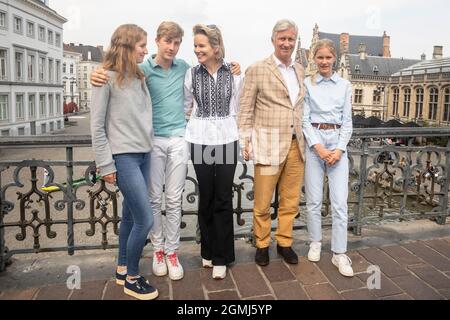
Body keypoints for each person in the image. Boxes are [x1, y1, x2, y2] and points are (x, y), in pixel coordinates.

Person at [91, 22, 242, 281]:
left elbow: (231, 104)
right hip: (152, 142)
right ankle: (159, 250)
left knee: (174, 199)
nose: (172, 47)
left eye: (177, 43)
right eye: (167, 42)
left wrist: (235, 66)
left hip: (186, 140)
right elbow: (116, 71)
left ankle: (173, 251)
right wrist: (97, 72)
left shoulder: (189, 68)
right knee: (154, 200)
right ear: (158, 42)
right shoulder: (142, 69)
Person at [90, 24, 158, 300]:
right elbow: (96, 127)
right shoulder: (103, 78)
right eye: (142, 45)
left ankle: (121, 269)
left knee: (130, 216)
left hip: (144, 154)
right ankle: (132, 277)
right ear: (128, 47)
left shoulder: (139, 76)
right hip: (124, 157)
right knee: (146, 219)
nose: (146, 49)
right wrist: (106, 165)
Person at [238, 19, 306, 267]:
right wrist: (245, 140)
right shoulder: (257, 69)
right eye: (282, 39)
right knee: (263, 201)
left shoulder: (300, 70)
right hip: (267, 144)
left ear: (295, 41)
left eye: (291, 39)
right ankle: (262, 244)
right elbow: (245, 108)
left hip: (297, 145)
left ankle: (285, 242)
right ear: (273, 40)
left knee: (290, 201)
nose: (286, 43)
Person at [184, 24, 242, 280]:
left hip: (228, 140)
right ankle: (207, 251)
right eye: (196, 45)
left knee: (223, 197)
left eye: (202, 46)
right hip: (200, 141)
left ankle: (222, 256)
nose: (197, 50)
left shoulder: (235, 74)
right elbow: (186, 106)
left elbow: (239, 109)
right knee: (206, 196)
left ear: (216, 47)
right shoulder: (191, 74)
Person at [302, 39, 354, 277]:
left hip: (337, 144)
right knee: (313, 200)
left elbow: (347, 121)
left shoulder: (344, 85)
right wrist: (318, 147)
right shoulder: (307, 84)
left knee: (340, 203)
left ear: (334, 59)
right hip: (315, 144)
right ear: (314, 59)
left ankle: (339, 252)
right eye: (320, 57)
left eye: (328, 57)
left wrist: (340, 149)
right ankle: (315, 241)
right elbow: (304, 119)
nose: (324, 61)